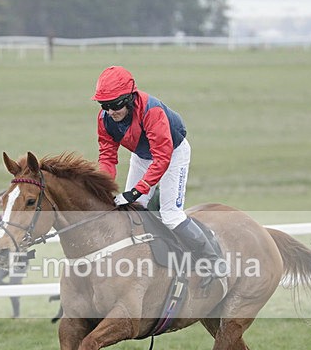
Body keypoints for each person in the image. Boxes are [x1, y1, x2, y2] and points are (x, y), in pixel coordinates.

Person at [91, 65, 225, 286]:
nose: (111, 111)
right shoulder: (105, 118)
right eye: (104, 105)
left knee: (170, 214)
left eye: (115, 105)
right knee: (133, 212)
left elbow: (162, 158)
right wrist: (102, 189)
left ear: (129, 99)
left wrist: (136, 191)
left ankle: (213, 259)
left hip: (173, 153)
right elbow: (107, 157)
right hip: (142, 156)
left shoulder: (151, 111)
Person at [0, 189, 22, 318]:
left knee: (14, 285)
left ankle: (16, 314)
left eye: (2, 200)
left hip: (19, 259)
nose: (0, 203)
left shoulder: (16, 218)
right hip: (5, 259)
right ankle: (12, 290)